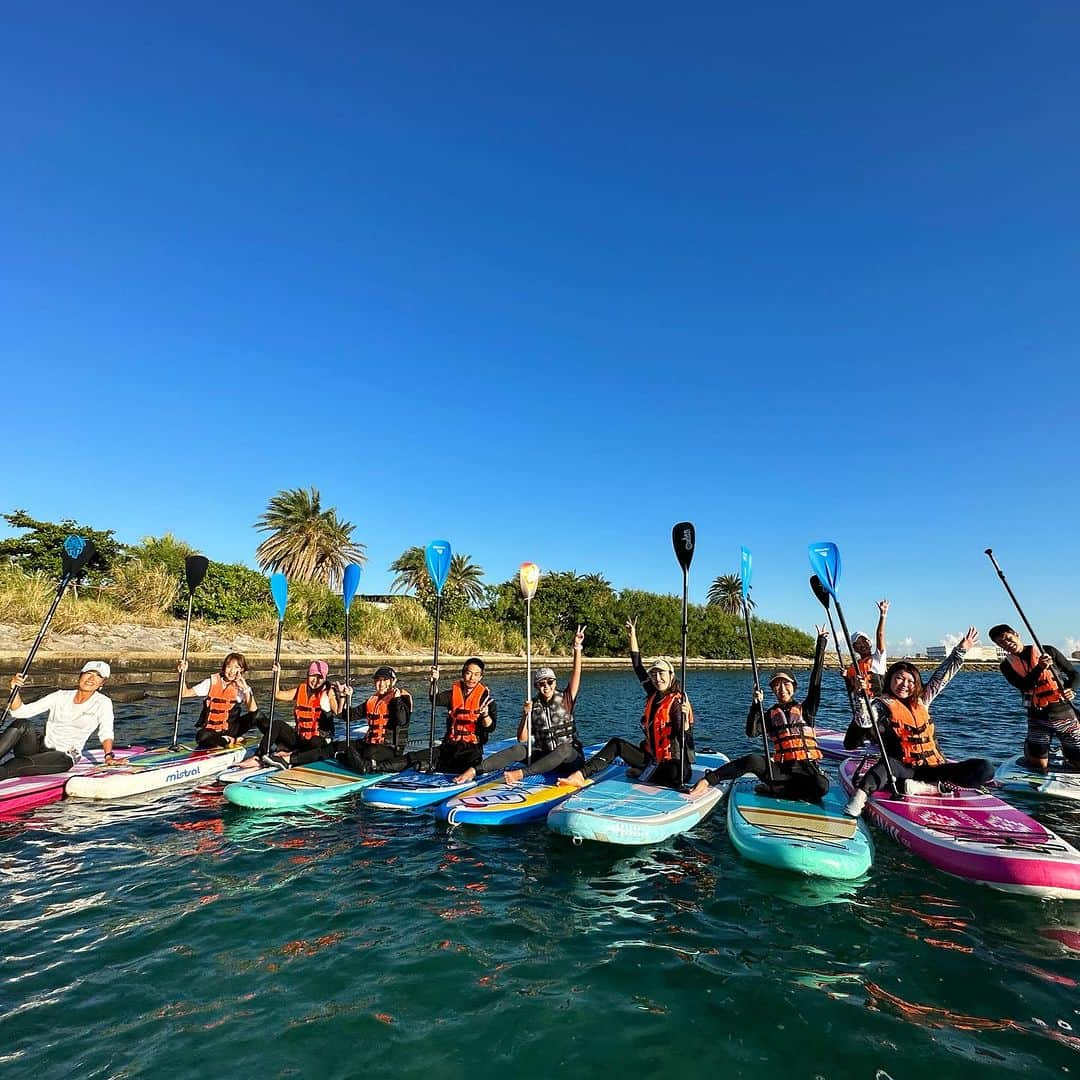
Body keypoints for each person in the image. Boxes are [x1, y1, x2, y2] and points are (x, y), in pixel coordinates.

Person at [843, 627, 994, 817]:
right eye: (898, 679)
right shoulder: (881, 705)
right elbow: (864, 721)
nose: (904, 685)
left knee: (985, 768)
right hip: (903, 768)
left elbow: (942, 676)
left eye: (910, 681)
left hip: (933, 768)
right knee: (887, 766)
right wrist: (858, 694)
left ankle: (925, 788)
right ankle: (860, 797)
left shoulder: (922, 700)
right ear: (889, 681)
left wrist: (960, 651)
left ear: (916, 684)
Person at [689, 626, 830, 802]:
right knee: (754, 760)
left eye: (786, 684)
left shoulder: (807, 710)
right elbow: (752, 732)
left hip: (807, 770)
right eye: (776, 685)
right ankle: (710, 779)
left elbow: (815, 681)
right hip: (780, 772)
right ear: (772, 690)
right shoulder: (771, 714)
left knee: (822, 786)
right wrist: (756, 705)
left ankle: (776, 791)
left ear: (794, 687)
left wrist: (821, 644)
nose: (782, 689)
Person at [563, 617, 693, 790]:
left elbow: (685, 740)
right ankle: (581, 775)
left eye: (661, 674)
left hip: (675, 765)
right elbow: (638, 666)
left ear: (671, 675)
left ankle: (644, 772)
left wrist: (685, 727)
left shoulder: (677, 702)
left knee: (675, 775)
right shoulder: (653, 693)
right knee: (617, 744)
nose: (657, 678)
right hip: (653, 760)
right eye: (654, 674)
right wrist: (632, 635)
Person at [453, 625, 587, 785]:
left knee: (564, 748)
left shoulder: (566, 697)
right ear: (536, 686)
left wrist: (577, 648)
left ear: (555, 682)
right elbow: (522, 738)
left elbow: (576, 673)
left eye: (550, 682)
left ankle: (522, 774)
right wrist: (525, 714)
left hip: (570, 761)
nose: (546, 686)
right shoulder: (533, 705)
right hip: (544, 758)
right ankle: (475, 770)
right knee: (519, 749)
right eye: (541, 683)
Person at [0, 661, 117, 779]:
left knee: (17, 764)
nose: (91, 678)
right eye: (89, 673)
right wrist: (14, 689)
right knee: (22, 724)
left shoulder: (103, 703)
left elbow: (106, 732)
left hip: (64, 755)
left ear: (102, 683)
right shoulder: (60, 696)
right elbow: (20, 713)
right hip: (40, 747)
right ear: (80, 676)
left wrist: (108, 756)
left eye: (98, 676)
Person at [988, 624, 1080, 772]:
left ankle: (1069, 754)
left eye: (1008, 638)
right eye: (1001, 643)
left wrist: (1071, 689)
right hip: (1037, 716)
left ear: (1016, 634)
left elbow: (1075, 674)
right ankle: (1030, 747)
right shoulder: (1006, 666)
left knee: (1077, 762)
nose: (1007, 644)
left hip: (1063, 713)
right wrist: (1039, 668)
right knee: (1039, 766)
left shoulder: (1047, 651)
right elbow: (1024, 686)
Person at [407, 657, 497, 775]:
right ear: (463, 674)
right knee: (413, 757)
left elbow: (490, 728)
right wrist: (434, 681)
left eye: (476, 675)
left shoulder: (487, 701)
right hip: (449, 746)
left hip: (471, 751)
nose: (472, 678)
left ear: (480, 677)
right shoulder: (453, 694)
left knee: (460, 767)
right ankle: (379, 766)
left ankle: (436, 766)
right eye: (469, 673)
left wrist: (485, 715)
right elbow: (435, 699)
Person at [259, 660, 344, 766]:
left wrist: (342, 696)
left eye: (320, 678)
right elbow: (278, 695)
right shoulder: (301, 689)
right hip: (301, 738)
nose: (316, 681)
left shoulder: (328, 692)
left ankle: (291, 757)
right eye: (313, 676)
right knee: (277, 724)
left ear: (325, 678)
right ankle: (260, 756)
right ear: (308, 675)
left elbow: (338, 712)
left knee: (315, 742)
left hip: (319, 741)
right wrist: (277, 675)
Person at [337, 666, 414, 774]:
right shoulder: (373, 700)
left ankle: (362, 764)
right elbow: (347, 716)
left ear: (394, 681)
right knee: (342, 746)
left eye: (385, 680)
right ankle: (356, 761)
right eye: (378, 680)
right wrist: (344, 697)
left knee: (368, 752)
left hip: (390, 748)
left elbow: (402, 721)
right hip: (370, 744)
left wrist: (397, 700)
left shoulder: (402, 698)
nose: (381, 684)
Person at [178, 652, 259, 749]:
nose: (232, 671)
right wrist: (182, 674)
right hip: (211, 730)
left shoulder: (243, 687)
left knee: (258, 716)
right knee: (201, 736)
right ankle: (228, 740)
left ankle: (270, 740)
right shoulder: (211, 682)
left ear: (241, 670)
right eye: (229, 667)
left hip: (232, 729)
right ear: (224, 667)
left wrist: (245, 689)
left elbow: (253, 711)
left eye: (236, 667)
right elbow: (185, 693)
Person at [845, 599, 890, 699]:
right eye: (858, 644)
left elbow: (880, 635)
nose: (862, 645)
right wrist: (846, 677)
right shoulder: (853, 667)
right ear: (854, 648)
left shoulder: (878, 659)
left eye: (864, 641)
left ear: (869, 643)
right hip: (861, 707)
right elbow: (852, 692)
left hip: (878, 705)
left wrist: (883, 615)